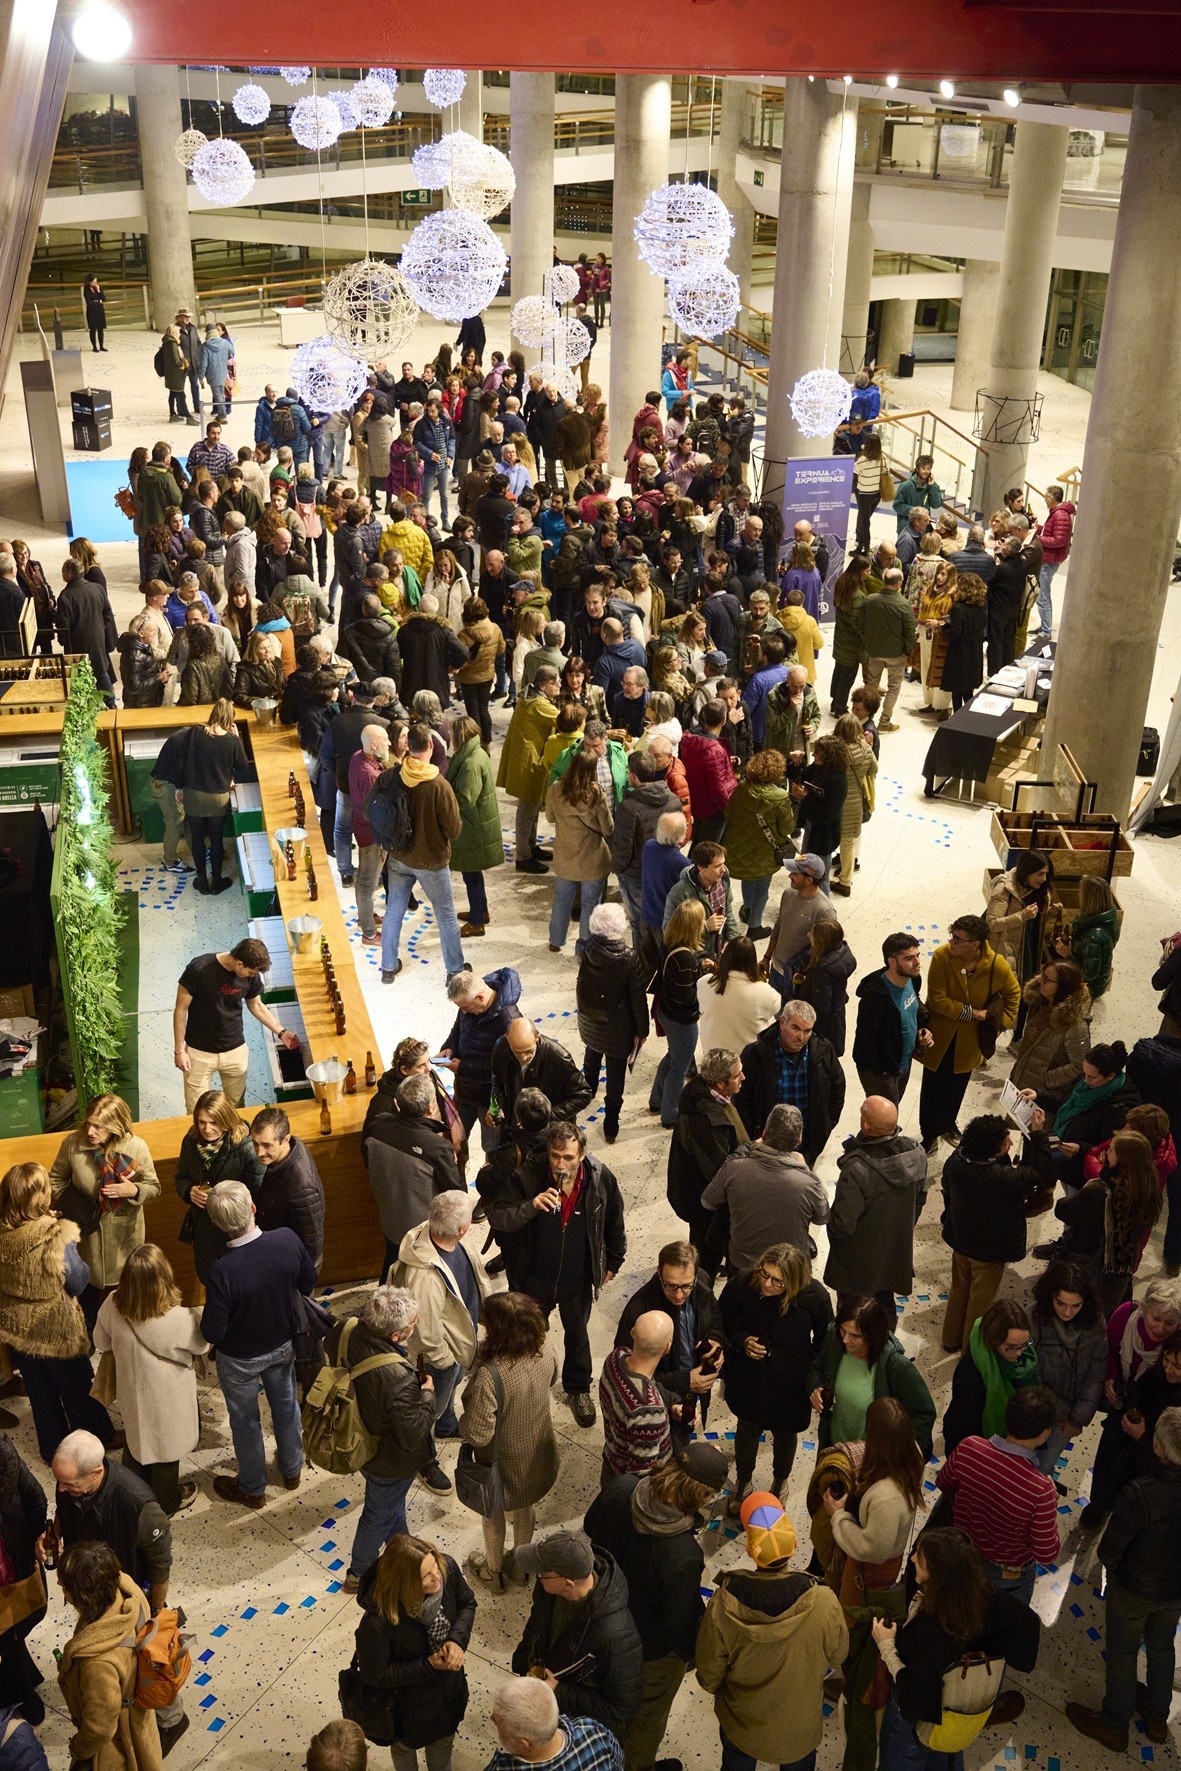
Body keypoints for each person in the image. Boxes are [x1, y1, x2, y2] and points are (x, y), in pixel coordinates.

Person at [583, 1444, 729, 1771]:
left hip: (599, 1626)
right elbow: (679, 1630)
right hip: (647, 1654)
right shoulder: (681, 1554)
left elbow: (591, 1528)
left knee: (607, 1707)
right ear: (702, 1495)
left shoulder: (622, 1487)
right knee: (644, 1722)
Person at [484, 1121, 625, 1429]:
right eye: (555, 1156)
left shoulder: (600, 1180)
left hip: (577, 1278)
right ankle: (523, 1389)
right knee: (525, 1337)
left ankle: (577, 1388)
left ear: (583, 1153)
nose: (561, 1164)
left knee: (577, 1334)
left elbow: (614, 1219)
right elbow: (498, 1216)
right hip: (533, 1277)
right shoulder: (527, 1177)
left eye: (569, 1157)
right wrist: (530, 1206)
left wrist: (615, 1259)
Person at [696, 1488, 848, 1771]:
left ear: (749, 1551)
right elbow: (838, 1657)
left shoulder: (722, 1605)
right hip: (799, 1729)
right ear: (794, 1545)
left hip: (741, 1725)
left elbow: (708, 1675)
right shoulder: (825, 1601)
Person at [872, 1528, 1041, 1769]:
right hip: (952, 1708)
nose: (912, 1560)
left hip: (917, 1710)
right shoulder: (980, 1594)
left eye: (919, 1558)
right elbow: (1027, 1627)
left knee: (899, 1759)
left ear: (938, 1574)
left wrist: (886, 1646)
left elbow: (913, 1703)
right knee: (945, 1753)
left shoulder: (929, 1630)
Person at [1066, 1405, 1181, 1751]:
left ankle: (1114, 1725)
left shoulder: (1139, 1493)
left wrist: (1113, 1573)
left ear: (1158, 1448)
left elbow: (1110, 1551)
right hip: (1175, 1592)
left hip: (1134, 1590)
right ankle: (1157, 1721)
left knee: (1122, 1653)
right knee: (1162, 1648)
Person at [199, 1180, 317, 1508]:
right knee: (286, 1404)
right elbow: (307, 1283)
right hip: (283, 1343)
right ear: (252, 1209)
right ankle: (292, 1469)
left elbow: (213, 1331)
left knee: (246, 1420)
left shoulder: (222, 1271)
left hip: (240, 1359)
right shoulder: (286, 1240)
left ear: (216, 1223)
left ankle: (252, 1487)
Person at [0, 1162, 116, 1462]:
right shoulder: (54, 1234)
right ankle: (97, 1438)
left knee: (40, 1392)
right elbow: (77, 1281)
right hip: (55, 1326)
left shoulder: (2, 1232)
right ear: (40, 1197)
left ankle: (51, 1448)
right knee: (78, 1388)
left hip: (17, 1325)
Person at [93, 1246, 207, 1516]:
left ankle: (131, 1498)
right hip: (169, 1399)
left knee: (137, 1443)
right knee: (166, 1452)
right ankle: (166, 1503)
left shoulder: (112, 1303)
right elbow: (202, 1346)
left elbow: (100, 1342)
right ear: (164, 1277)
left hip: (132, 1393)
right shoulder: (180, 1319)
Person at [720, 1243, 833, 1513]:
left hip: (790, 1382)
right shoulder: (745, 1282)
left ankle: (780, 1482)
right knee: (747, 1429)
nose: (768, 1285)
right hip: (750, 1376)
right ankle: (743, 1481)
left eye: (778, 1281)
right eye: (765, 1274)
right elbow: (723, 1319)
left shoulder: (814, 1296)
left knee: (785, 1435)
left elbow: (825, 1340)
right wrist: (742, 1340)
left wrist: (811, 1373)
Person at [458, 1291, 559, 1593]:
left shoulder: (491, 1374)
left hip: (500, 1464)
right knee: (526, 1507)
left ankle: (494, 1572)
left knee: (493, 1514)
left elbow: (478, 1434)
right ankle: (522, 1568)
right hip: (538, 1449)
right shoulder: (547, 1348)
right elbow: (553, 1379)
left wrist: (458, 1424)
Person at [350, 1533, 475, 1771]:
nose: (436, 1576)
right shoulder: (377, 1623)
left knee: (442, 1745)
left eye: (434, 1566)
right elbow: (375, 1676)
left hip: (449, 1694)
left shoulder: (446, 1567)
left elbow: (466, 1603)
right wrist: (428, 1665)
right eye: (425, 1576)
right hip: (405, 1710)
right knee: (404, 1751)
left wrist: (456, 1641)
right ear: (403, 1584)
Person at [510, 1529, 644, 1740]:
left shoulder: (617, 1635)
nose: (538, 1578)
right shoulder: (548, 1590)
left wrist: (559, 1691)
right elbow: (537, 1625)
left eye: (542, 1574)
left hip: (576, 1727)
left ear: (568, 1583)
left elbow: (622, 1707)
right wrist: (522, 1661)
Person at [391, 1192, 492, 1467]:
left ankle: (447, 1424)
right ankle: (425, 1461)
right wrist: (447, 1362)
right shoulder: (423, 1277)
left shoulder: (449, 1240)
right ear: (461, 1228)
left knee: (450, 1391)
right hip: (442, 1357)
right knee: (428, 1411)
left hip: (459, 1343)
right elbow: (426, 1335)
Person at [939, 1112, 1053, 1353]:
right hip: (988, 1249)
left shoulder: (956, 1160)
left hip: (960, 1239)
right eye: (1005, 1142)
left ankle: (950, 1340)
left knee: (959, 1289)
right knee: (979, 1302)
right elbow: (1041, 1172)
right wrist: (1038, 1134)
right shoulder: (1002, 1178)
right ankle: (971, 1352)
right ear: (992, 1150)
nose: (1010, 1143)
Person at [936, 1385, 1060, 1604]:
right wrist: (1051, 1506)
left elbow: (944, 1484)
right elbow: (1046, 1553)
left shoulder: (969, 1447)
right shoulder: (1042, 1490)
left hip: (963, 1552)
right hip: (1006, 1575)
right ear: (1043, 1434)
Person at [48, 1094, 159, 1331]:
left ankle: (122, 1337)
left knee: (124, 1297)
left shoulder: (136, 1146)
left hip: (124, 1237)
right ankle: (87, 1337)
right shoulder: (72, 1144)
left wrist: (134, 1189)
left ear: (115, 1125)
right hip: (86, 1237)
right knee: (86, 1295)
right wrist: (75, 1204)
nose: (90, 1131)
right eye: (89, 1123)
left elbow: (154, 1187)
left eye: (98, 1126)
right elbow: (56, 1179)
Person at [56, 1539, 164, 1771]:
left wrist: (77, 1748)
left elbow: (100, 1728)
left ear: (83, 1596)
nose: (58, 1585)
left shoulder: (97, 1661)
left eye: (66, 1587)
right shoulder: (125, 1586)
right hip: (141, 1709)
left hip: (122, 1740)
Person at [917, 914, 1020, 1154]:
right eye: (952, 936)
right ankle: (929, 1133)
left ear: (975, 944)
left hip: (970, 1041)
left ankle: (948, 1124)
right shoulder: (943, 957)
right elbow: (938, 1000)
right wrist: (974, 1013)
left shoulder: (996, 965)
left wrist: (998, 1025)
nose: (952, 942)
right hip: (939, 1037)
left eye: (958, 939)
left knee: (957, 1084)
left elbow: (1014, 995)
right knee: (932, 1086)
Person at [824, 1097, 928, 1318]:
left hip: (857, 1263)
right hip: (894, 1251)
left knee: (851, 1314)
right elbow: (920, 1200)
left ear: (865, 1125)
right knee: (883, 1303)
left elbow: (843, 1223)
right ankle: (885, 1347)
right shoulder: (916, 1153)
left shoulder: (857, 1168)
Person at [613, 1241, 726, 1443]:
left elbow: (715, 1317)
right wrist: (686, 1381)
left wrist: (716, 1342)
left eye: (685, 1286)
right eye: (671, 1286)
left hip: (698, 1391)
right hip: (662, 1403)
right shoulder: (639, 1313)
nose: (679, 1294)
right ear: (659, 1272)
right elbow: (630, 1376)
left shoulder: (700, 1284)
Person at [380, 723, 465, 985]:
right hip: (431, 861)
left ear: (407, 746)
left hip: (399, 857)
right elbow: (453, 830)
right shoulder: (439, 785)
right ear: (430, 746)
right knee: (446, 913)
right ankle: (454, 970)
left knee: (394, 908)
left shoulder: (393, 775)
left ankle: (388, 967)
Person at [173, 937, 298, 1111]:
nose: (253, 976)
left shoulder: (250, 977)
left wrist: (281, 1032)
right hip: (199, 1053)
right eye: (252, 972)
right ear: (239, 964)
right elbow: (181, 1010)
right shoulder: (198, 969)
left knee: (237, 1106)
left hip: (235, 1050)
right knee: (196, 1110)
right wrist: (179, 1050)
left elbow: (256, 1005)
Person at [703, 1104, 827, 1273]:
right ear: (799, 1140)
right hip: (788, 1270)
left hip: (742, 1266)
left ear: (764, 1133)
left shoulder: (733, 1168)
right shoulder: (808, 1183)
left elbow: (707, 1201)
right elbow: (822, 1217)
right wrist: (805, 1169)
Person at [808, 1296, 936, 1458]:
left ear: (873, 1336)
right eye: (843, 1330)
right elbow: (816, 1370)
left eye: (855, 1335)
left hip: (873, 1459)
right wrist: (815, 1389)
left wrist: (896, 1454)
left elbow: (923, 1414)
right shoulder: (835, 1340)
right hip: (834, 1449)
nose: (846, 1340)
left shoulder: (896, 1366)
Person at [736, 999, 846, 1165]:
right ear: (782, 1022)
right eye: (795, 1028)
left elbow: (837, 1089)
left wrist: (825, 1125)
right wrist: (754, 1134)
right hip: (766, 1146)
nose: (801, 1037)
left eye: (807, 1030)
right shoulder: (756, 1054)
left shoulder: (823, 1051)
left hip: (807, 1144)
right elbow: (741, 1098)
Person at [576, 902, 650, 1143]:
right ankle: (611, 1125)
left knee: (592, 1055)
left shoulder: (586, 948)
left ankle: (585, 1093)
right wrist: (642, 1029)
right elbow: (638, 999)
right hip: (617, 1029)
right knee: (615, 1077)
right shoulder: (628, 958)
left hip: (590, 1020)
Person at [1028, 1261, 1108, 1475]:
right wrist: (1064, 1412)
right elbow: (1030, 1371)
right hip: (1036, 1408)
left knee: (1043, 1467)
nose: (1067, 1311)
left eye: (1076, 1305)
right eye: (1060, 1303)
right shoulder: (1036, 1319)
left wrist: (1077, 1418)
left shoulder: (1095, 1325)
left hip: (1069, 1417)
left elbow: (1095, 1376)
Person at [438, 969, 523, 1149]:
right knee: (454, 1140)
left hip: (489, 1101)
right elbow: (458, 1028)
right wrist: (449, 1046)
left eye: (465, 1008)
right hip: (464, 1091)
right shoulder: (468, 1005)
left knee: (492, 1148)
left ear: (480, 998)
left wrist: (462, 1068)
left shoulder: (509, 1022)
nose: (463, 1012)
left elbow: (504, 1071)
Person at [941, 1298, 1038, 1455]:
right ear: (993, 1340)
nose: (1020, 1353)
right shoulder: (972, 1375)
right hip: (980, 1453)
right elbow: (959, 1426)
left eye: (1024, 1345)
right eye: (1012, 1347)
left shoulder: (1018, 1356)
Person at [544, 750, 613, 958]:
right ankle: (583, 949)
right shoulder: (596, 793)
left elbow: (549, 817)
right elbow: (607, 828)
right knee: (590, 905)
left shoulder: (556, 788)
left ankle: (555, 941)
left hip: (565, 856)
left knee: (561, 900)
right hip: (592, 858)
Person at [0, 1435, 49, 1723]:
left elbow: (36, 1499)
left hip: (16, 1569)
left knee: (15, 1631)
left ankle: (22, 1697)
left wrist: (35, 1542)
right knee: (9, 1640)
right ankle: (26, 1700)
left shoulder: (5, 1456)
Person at [175, 698, 247, 895]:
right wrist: (237, 737)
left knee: (197, 839)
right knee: (216, 839)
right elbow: (242, 766)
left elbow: (182, 761)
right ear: (231, 718)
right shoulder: (232, 741)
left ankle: (202, 881)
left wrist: (179, 788)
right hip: (218, 797)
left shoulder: (195, 733)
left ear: (213, 713)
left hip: (194, 795)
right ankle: (216, 881)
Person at [852, 932, 932, 1101]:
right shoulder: (874, 999)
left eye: (918, 955)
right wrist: (882, 1071)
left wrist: (923, 1027)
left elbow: (914, 1004)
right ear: (892, 962)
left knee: (892, 1112)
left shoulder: (912, 979)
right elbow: (864, 1043)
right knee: (881, 1121)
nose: (917, 962)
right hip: (883, 1073)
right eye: (909, 958)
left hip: (903, 1063)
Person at [486, 1679, 622, 1771]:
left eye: (497, 1722)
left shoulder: (501, 1768)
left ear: (524, 1744)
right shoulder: (594, 1732)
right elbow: (618, 1763)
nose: (491, 1718)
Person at [1009, 959, 1092, 1102]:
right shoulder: (1041, 1005)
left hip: (1042, 1095)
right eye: (1042, 976)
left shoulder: (1074, 1024)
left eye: (1047, 979)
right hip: (1022, 1082)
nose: (1040, 981)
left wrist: (1045, 1079)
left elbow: (1080, 1065)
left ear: (1063, 985)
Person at [761, 855, 837, 1000]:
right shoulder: (788, 894)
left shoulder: (825, 911)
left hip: (798, 976)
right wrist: (767, 957)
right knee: (775, 1011)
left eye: (795, 874)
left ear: (809, 880)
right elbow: (778, 927)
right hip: (776, 969)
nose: (789, 876)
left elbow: (825, 953)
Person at [695, 937, 780, 1056]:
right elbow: (775, 1008)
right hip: (745, 1060)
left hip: (712, 1056)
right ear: (752, 960)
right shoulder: (766, 993)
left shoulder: (705, 983)